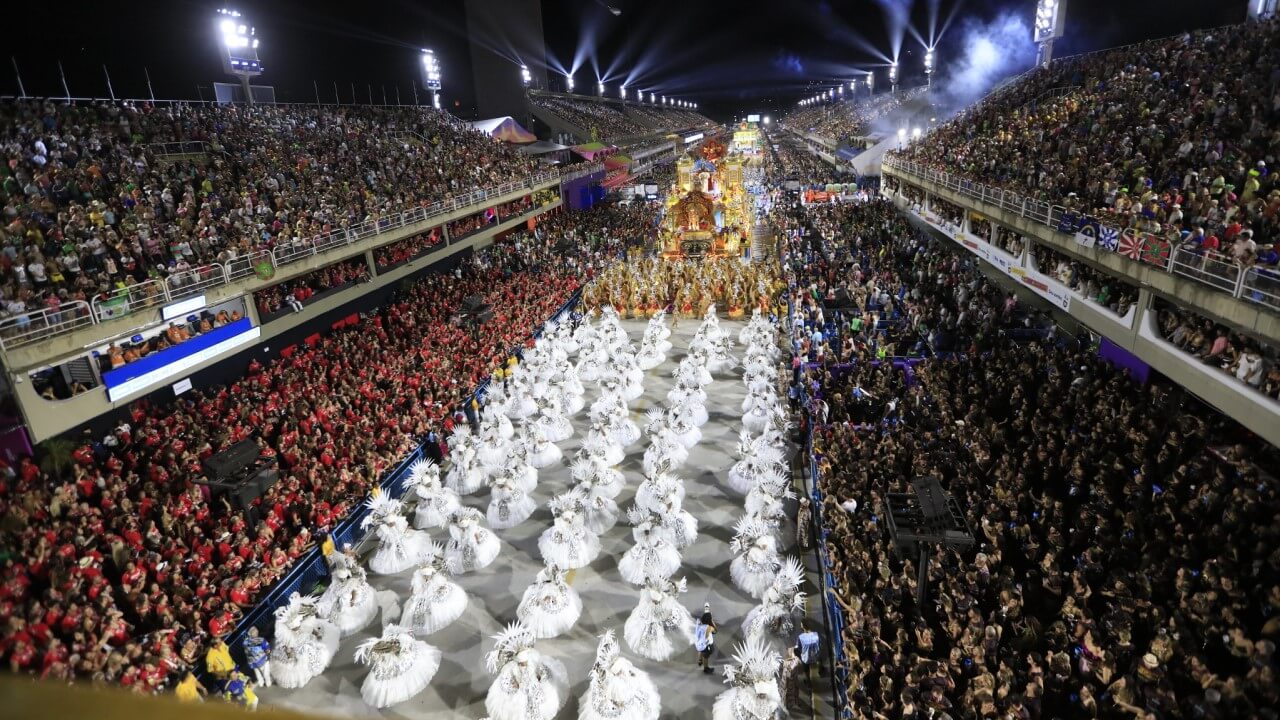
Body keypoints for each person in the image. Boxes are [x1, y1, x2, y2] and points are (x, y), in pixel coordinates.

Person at [694, 605, 717, 674]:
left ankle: (700, 660)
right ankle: (706, 668)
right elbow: (715, 631)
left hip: (699, 643)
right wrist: (712, 622)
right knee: (706, 656)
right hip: (706, 645)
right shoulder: (709, 627)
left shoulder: (699, 624)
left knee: (700, 651)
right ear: (709, 619)